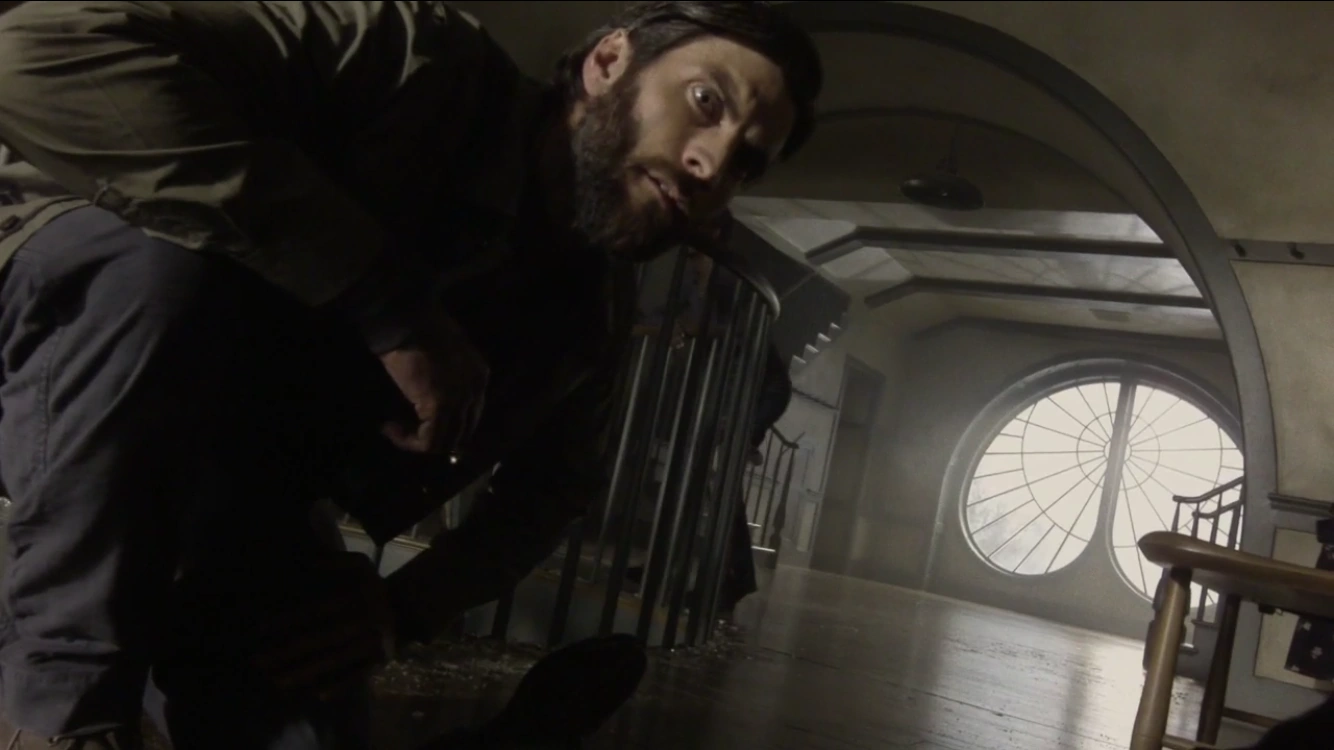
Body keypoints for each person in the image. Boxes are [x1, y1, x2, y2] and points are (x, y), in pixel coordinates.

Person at [0, 1, 822, 748]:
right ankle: (65, 715)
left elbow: (554, 489)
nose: (710, 163)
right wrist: (384, 299)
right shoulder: (413, 58)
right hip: (62, 335)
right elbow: (36, 50)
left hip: (238, 472)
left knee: (302, 712)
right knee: (158, 273)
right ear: (610, 63)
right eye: (705, 102)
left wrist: (404, 607)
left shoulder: (584, 313)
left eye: (746, 163)